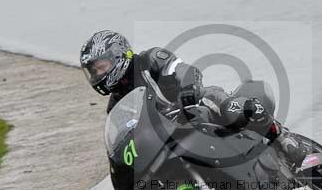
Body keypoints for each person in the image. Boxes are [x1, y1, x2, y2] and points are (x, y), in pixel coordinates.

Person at [80, 29, 307, 166]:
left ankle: (283, 140)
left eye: (101, 66)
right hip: (171, 137)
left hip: (195, 104)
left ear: (119, 53)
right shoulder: (115, 108)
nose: (99, 75)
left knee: (219, 104)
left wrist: (187, 92)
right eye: (94, 71)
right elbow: (129, 138)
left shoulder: (149, 60)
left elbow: (185, 71)